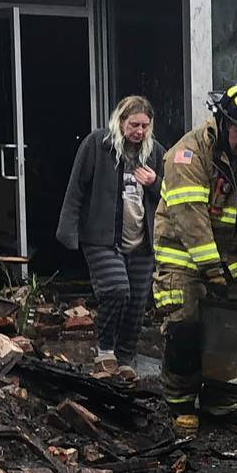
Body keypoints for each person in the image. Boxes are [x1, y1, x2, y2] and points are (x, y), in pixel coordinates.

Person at [152, 82, 237, 436]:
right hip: (183, 256)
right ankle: (181, 403)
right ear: (222, 122)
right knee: (185, 322)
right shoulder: (187, 154)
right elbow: (190, 216)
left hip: (225, 258)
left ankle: (222, 401)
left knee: (233, 325)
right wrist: (211, 268)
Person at [56, 96, 164, 385]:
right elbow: (76, 187)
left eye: (145, 125)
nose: (139, 131)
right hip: (101, 237)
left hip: (142, 241)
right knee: (117, 290)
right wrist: (68, 230)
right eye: (134, 124)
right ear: (120, 121)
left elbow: (171, 197)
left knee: (138, 301)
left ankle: (126, 357)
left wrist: (155, 183)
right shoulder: (97, 145)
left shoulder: (154, 153)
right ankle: (105, 349)